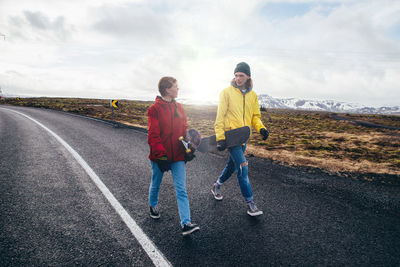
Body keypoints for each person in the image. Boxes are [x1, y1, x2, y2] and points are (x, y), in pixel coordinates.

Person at [211, 62, 269, 216]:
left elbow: (255, 116)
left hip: (243, 138)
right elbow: (220, 117)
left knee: (231, 167)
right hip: (231, 138)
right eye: (236, 75)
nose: (238, 78)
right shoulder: (226, 92)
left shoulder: (253, 95)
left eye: (241, 75)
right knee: (243, 168)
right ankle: (250, 204)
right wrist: (220, 138)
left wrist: (261, 128)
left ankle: (216, 185)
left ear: (248, 76)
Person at [147, 76, 199, 236]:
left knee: (181, 189)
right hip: (160, 156)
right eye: (176, 86)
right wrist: (161, 155)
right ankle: (153, 205)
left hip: (177, 156)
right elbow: (153, 136)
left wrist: (189, 144)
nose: (178, 89)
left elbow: (183, 130)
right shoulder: (154, 109)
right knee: (156, 182)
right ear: (167, 89)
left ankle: (186, 223)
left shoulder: (180, 108)